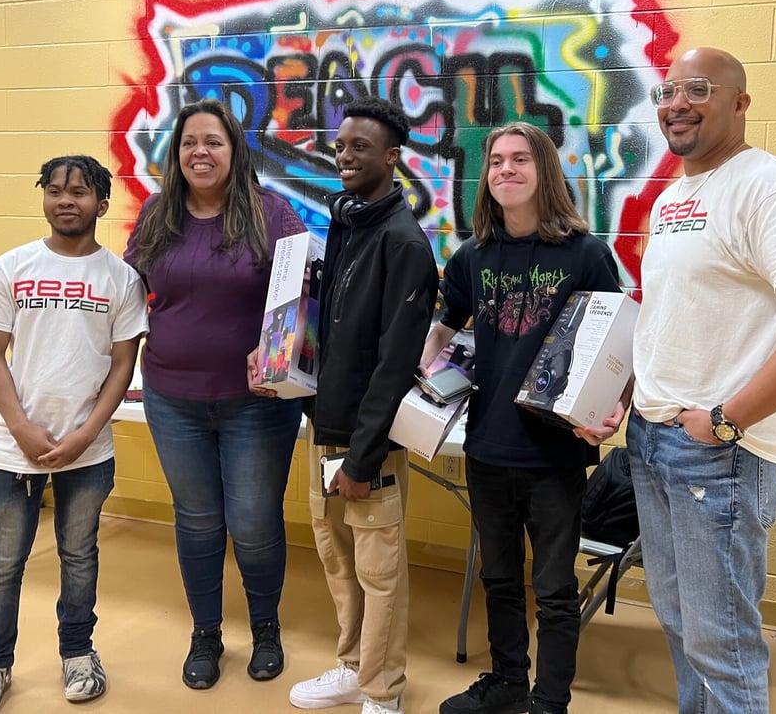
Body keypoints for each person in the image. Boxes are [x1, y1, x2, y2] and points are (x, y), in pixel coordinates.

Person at [627, 47, 776, 713]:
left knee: (722, 646)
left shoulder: (770, 186)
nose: (676, 102)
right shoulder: (675, 197)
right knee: (681, 626)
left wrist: (727, 418)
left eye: (697, 88)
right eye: (667, 90)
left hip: (719, 451)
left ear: (740, 102)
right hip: (655, 437)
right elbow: (676, 316)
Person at [422, 123, 623, 714]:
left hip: (554, 455)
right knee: (500, 577)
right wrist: (413, 374)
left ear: (544, 172)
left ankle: (548, 702)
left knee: (555, 590)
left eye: (520, 160)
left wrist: (614, 409)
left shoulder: (584, 254)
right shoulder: (472, 257)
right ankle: (509, 681)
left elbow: (618, 342)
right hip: (487, 446)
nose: (506, 170)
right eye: (496, 162)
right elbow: (444, 327)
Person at [253, 97, 437, 714]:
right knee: (337, 559)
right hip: (324, 428)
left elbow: (393, 364)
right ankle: (353, 666)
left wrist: (362, 458)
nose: (345, 155)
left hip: (367, 444)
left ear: (392, 157)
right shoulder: (348, 223)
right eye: (340, 145)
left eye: (361, 147)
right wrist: (281, 364)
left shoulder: (403, 243)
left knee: (378, 571)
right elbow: (325, 331)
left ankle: (383, 692)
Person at [0, 156, 148, 714]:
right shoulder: (12, 266)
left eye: (80, 192)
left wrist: (87, 433)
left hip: (89, 452)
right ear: (45, 198)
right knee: (3, 566)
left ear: (101, 205)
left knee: (79, 556)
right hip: (14, 449)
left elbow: (121, 365)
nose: (66, 200)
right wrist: (19, 424)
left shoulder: (121, 278)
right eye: (56, 191)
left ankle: (78, 653)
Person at [124, 99, 306, 689]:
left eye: (214, 141)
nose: (200, 152)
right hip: (172, 398)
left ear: (235, 151)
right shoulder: (156, 215)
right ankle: (206, 632)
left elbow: (301, 295)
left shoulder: (269, 213)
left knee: (253, 523)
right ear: (176, 155)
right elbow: (132, 294)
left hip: (255, 401)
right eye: (188, 143)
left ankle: (265, 628)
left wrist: (275, 346)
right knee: (198, 523)